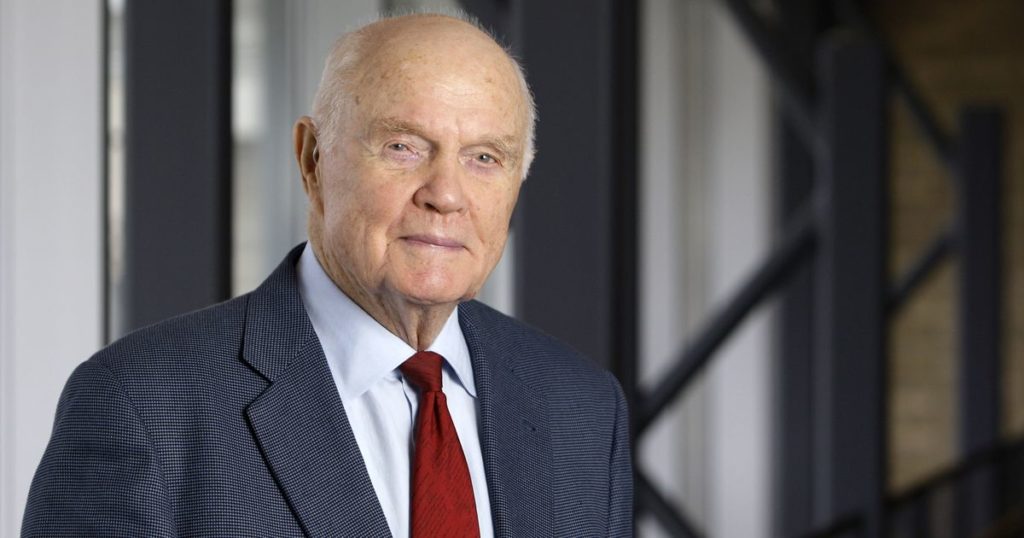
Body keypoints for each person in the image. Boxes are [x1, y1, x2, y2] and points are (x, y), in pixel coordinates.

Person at [22, 12, 632, 538]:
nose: (446, 195)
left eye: (484, 158)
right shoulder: (138, 404)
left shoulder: (582, 408)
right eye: (403, 147)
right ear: (312, 159)